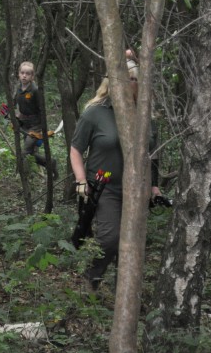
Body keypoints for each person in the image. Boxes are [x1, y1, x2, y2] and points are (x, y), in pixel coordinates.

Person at [69, 54, 162, 291]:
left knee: (132, 245)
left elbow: (153, 156)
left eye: (133, 79)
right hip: (104, 183)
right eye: (124, 78)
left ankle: (126, 293)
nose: (128, 83)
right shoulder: (95, 112)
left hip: (136, 189)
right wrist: (81, 181)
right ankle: (90, 280)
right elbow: (76, 149)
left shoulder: (146, 116)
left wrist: (154, 186)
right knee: (110, 239)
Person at [14, 61, 58, 178]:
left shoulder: (35, 90)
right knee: (31, 153)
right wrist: (16, 116)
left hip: (36, 126)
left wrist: (42, 129)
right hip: (25, 124)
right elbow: (15, 104)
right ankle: (50, 163)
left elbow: (42, 110)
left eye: (27, 74)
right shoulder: (18, 88)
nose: (24, 75)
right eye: (22, 73)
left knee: (26, 152)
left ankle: (24, 177)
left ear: (32, 76)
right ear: (19, 74)